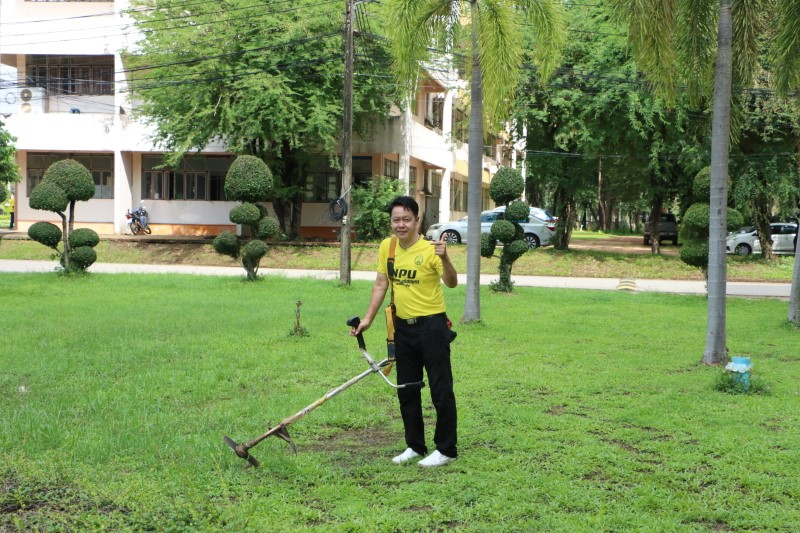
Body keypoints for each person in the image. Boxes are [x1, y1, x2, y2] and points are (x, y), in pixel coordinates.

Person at [351, 195, 459, 467]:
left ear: (417, 221)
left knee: (440, 389)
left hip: (432, 327)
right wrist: (368, 319)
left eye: (406, 219)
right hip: (403, 329)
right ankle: (415, 446)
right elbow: (380, 284)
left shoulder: (430, 249)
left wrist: (445, 258)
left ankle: (446, 449)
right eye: (396, 220)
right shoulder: (387, 247)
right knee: (407, 389)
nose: (401, 225)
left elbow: (452, 282)